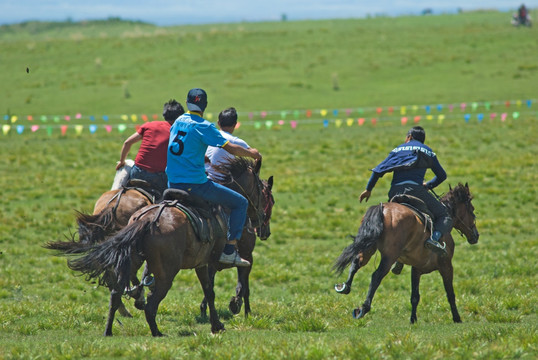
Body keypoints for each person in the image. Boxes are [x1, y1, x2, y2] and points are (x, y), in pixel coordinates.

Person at [166, 88, 262, 267]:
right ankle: (229, 251)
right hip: (195, 185)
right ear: (205, 105)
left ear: (187, 103)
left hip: (171, 182)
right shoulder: (204, 126)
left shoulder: (178, 121)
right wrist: (252, 153)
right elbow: (231, 148)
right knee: (241, 203)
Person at [359, 126, 452, 257]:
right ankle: (434, 239)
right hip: (416, 191)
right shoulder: (428, 151)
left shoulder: (397, 150)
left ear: (409, 137)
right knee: (444, 215)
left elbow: (378, 171)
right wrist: (428, 185)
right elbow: (442, 175)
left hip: (394, 192)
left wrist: (368, 189)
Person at [115, 99, 184, 193]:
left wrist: (122, 161)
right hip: (159, 177)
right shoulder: (177, 133)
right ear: (180, 117)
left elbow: (127, 142)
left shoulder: (149, 125)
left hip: (138, 172)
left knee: (126, 168)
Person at [205, 107, 250, 181]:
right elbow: (256, 155)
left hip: (202, 178)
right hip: (219, 181)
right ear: (235, 124)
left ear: (218, 123)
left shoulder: (209, 137)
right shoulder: (235, 141)